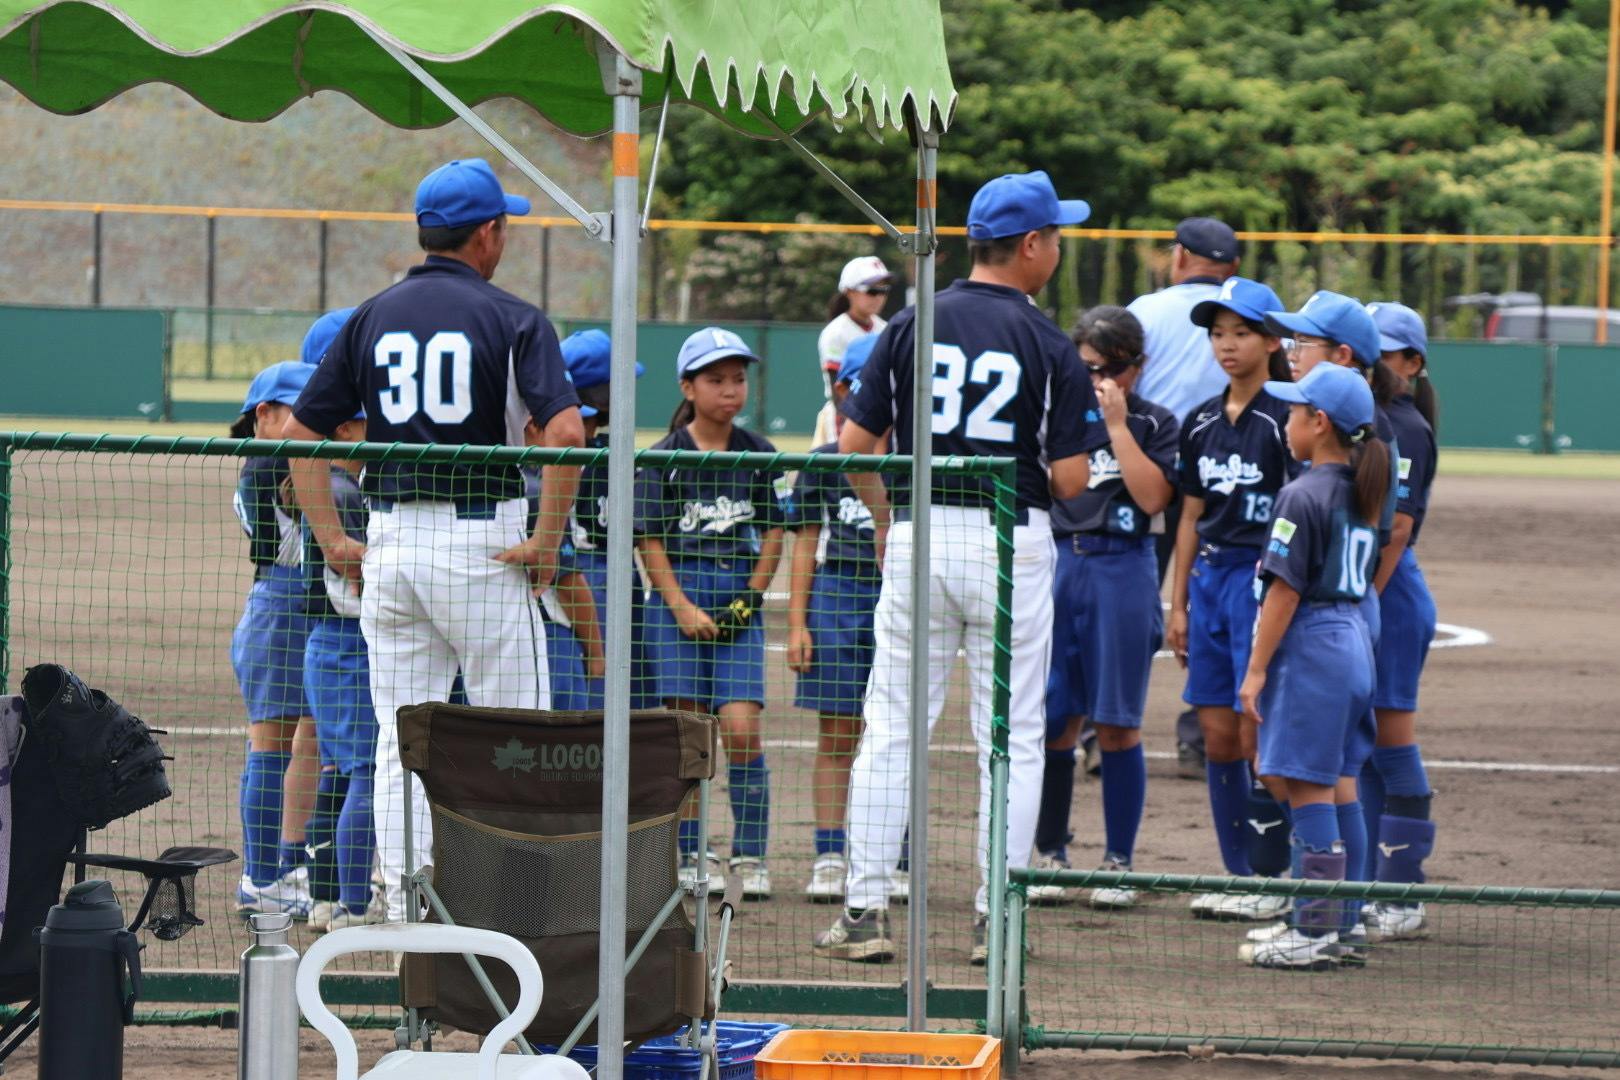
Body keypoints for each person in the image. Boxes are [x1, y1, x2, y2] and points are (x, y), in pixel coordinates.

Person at [814, 170, 1107, 965]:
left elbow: (854, 447)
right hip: (1010, 537)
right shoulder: (1048, 341)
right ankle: (994, 919)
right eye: (1055, 236)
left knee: (892, 727)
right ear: (1031, 245)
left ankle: (865, 910)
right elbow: (1073, 482)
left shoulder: (910, 323)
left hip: (920, 532)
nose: (1058, 249)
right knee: (1009, 736)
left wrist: (887, 522)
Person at [284, 157, 585, 921]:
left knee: (402, 738)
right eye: (503, 226)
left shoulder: (371, 314)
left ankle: (406, 907)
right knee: (514, 731)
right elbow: (565, 431)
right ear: (487, 234)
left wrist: (333, 540)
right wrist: (548, 538)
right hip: (481, 545)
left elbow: (301, 433)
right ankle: (514, 905)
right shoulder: (514, 316)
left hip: (391, 545)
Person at [1235, 362, 1389, 970]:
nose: (1286, 420)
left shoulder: (1301, 493)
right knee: (1340, 785)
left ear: (1319, 423)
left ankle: (1314, 930)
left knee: (1306, 787)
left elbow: (1284, 592)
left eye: (1295, 411)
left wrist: (1255, 671)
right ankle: (1342, 924)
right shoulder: (1361, 489)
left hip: (1315, 645)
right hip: (1353, 637)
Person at [1028, 307, 1179, 911]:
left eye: (1113, 368)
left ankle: (1119, 861)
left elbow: (1153, 498)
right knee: (1054, 718)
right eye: (1088, 367)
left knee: (1117, 722)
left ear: (1137, 368)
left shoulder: (1155, 421)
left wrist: (1117, 426)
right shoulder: (1053, 417)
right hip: (1060, 561)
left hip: (1124, 564)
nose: (1099, 380)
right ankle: (1049, 852)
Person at [634, 327, 792, 900]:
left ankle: (750, 853)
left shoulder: (758, 452)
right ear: (688, 387)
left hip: (735, 596)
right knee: (688, 732)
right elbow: (649, 539)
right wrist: (680, 606)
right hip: (677, 596)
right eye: (716, 379)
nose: (730, 390)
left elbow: (773, 532)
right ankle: (692, 851)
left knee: (742, 728)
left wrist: (752, 595)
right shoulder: (663, 457)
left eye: (738, 379)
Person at [1165, 277, 1298, 924]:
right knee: (1217, 736)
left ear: (1272, 341)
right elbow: (1190, 514)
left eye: (1242, 332)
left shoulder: (1285, 419)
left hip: (1259, 576)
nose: (1227, 344)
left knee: (1256, 735)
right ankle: (1238, 871)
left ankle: (1277, 873)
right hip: (1210, 579)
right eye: (1218, 333)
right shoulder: (1199, 420)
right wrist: (1177, 602)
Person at [1127, 217, 1243, 780]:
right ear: (1233, 267)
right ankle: (1201, 738)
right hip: (1225, 475)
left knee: (1130, 600)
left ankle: (1107, 729)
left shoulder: (1144, 311)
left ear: (1178, 257)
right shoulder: (1247, 314)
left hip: (1147, 475)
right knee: (1214, 603)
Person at [788, 331, 885, 903]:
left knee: (893, 733)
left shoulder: (914, 461)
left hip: (896, 596)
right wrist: (798, 623)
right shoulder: (825, 461)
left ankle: (891, 856)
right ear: (844, 390)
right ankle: (829, 853)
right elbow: (805, 544)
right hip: (837, 597)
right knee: (838, 731)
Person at [1361, 302, 1440, 941]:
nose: (1374, 361)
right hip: (1373, 591)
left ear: (1412, 363)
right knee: (1361, 748)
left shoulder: (1405, 427)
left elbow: (1396, 532)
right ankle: (1366, 887)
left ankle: (1403, 894)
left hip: (1390, 596)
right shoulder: (1370, 419)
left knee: (1390, 743)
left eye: (1385, 352)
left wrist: (1361, 605)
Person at [230, 360, 320, 918]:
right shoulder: (273, 461)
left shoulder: (273, 455)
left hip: (288, 602)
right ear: (264, 413)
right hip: (283, 605)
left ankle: (283, 866)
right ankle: (262, 878)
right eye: (301, 411)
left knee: (301, 740)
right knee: (271, 742)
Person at [295, 404, 381, 933]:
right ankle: (353, 903)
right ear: (345, 429)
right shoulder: (342, 491)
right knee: (364, 772)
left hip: (329, 644)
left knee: (338, 774)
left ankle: (325, 897)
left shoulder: (330, 485)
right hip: (348, 644)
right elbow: (358, 575)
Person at [542, 329, 654, 711]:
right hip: (584, 574)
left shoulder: (611, 451)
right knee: (593, 699)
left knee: (614, 700)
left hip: (607, 574)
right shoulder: (571, 452)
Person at [812, 256, 893, 446]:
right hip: (844, 414)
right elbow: (838, 390)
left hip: (880, 414)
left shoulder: (885, 328)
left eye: (883, 290)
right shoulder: (836, 332)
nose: (879, 297)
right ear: (849, 292)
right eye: (872, 290)